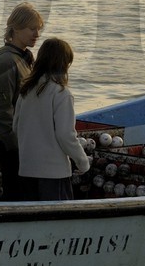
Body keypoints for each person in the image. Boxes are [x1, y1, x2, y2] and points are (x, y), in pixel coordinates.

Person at [13, 37, 91, 202]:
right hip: (53, 174)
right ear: (65, 64)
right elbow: (65, 135)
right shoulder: (61, 93)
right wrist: (82, 162)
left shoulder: (26, 90)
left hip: (27, 169)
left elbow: (16, 127)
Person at [0, 3, 44, 200]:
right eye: (32, 28)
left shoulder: (24, 58)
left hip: (25, 141)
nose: (37, 33)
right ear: (16, 28)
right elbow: (1, 109)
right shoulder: (7, 60)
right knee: (18, 195)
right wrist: (15, 146)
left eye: (38, 29)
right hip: (15, 146)